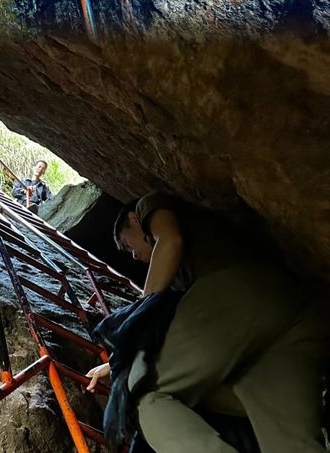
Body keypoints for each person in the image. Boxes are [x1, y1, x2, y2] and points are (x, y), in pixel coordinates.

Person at [86, 192, 328, 453]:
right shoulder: (186, 275)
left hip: (238, 291)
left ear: (133, 219)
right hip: (299, 311)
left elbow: (169, 241)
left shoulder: (148, 206)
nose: (133, 256)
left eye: (128, 245)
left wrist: (133, 323)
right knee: (289, 442)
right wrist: (112, 365)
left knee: (139, 394)